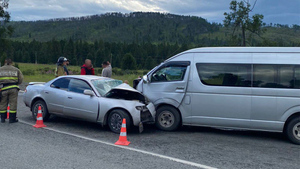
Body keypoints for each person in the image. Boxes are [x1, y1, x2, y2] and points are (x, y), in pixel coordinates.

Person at [0, 59, 23, 123]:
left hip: (3, 88)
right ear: (11, 63)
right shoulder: (16, 69)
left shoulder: (0, 69)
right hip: (13, 88)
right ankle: (12, 119)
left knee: (2, 104)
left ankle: (2, 118)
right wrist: (16, 83)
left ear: (4, 62)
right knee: (13, 104)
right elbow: (21, 79)